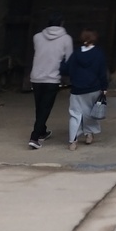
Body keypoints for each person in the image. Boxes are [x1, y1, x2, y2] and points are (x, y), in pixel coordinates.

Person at [29, 13, 73, 149]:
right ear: (62, 23)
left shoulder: (37, 37)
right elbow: (69, 59)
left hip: (36, 76)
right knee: (45, 108)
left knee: (39, 106)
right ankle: (34, 137)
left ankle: (42, 131)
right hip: (53, 77)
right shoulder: (66, 39)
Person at [62, 28, 109, 151]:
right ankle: (89, 135)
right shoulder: (99, 54)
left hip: (77, 89)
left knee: (75, 114)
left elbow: (66, 69)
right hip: (94, 88)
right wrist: (104, 87)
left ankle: (73, 141)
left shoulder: (76, 53)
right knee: (90, 112)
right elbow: (102, 73)